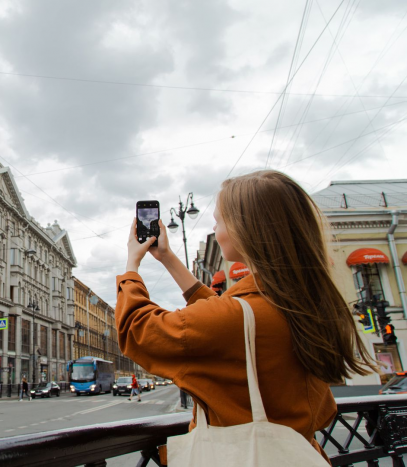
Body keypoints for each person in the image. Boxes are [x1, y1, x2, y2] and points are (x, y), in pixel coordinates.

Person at [116, 170, 376, 461]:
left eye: (219, 221)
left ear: (247, 228)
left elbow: (138, 331)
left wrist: (131, 266)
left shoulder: (241, 315)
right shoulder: (298, 301)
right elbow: (233, 314)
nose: (216, 230)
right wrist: (168, 258)